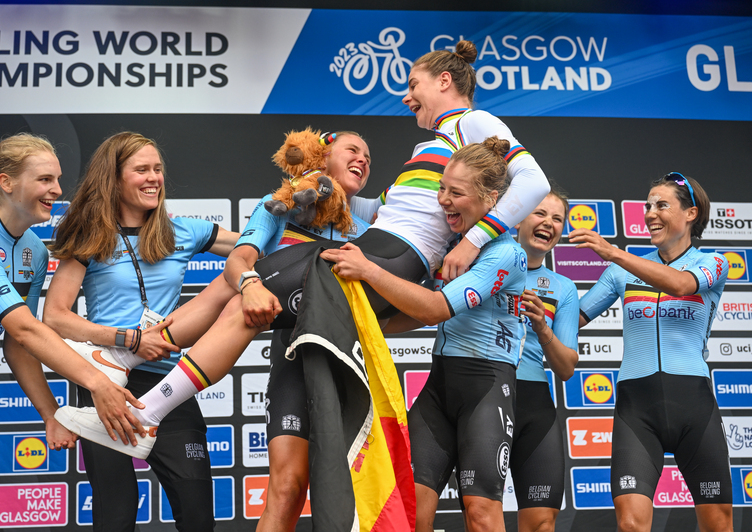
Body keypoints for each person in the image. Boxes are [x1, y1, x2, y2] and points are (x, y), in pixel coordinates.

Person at [55, 41, 549, 462]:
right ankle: (126, 366)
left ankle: (146, 409)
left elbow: (533, 181)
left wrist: (472, 239)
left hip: (389, 257)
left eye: (414, 84)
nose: (406, 95)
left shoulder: (473, 120)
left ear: (444, 81)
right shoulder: (437, 144)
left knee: (242, 306)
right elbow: (382, 212)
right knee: (236, 295)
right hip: (377, 246)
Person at [324, 137, 526, 532]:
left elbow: (435, 308)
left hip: (486, 387)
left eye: (456, 193)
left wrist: (369, 271)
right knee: (410, 511)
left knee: (481, 515)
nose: (443, 200)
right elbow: (420, 314)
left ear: (492, 198)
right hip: (439, 386)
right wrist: (367, 324)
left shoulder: (505, 253)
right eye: (441, 189)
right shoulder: (452, 242)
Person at [43, 132, 239, 532]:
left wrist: (288, 218)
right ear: (114, 180)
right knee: (116, 513)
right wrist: (128, 338)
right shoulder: (91, 236)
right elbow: (56, 317)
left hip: (169, 383)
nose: (154, 178)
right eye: (141, 170)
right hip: (106, 380)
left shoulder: (183, 230)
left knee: (198, 511)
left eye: (158, 169)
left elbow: (252, 249)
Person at [0, 134, 144, 532]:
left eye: (57, 179)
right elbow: (24, 328)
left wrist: (50, 415)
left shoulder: (35, 252)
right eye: (44, 180)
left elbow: (17, 344)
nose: (56, 190)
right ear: (6, 183)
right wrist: (97, 383)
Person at [573, 172, 732, 532]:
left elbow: (679, 284)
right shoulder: (620, 270)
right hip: (636, 407)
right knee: (630, 524)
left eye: (662, 205)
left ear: (690, 213)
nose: (650, 214)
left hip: (694, 404)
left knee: (719, 524)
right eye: (647, 206)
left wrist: (614, 253)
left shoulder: (714, 262)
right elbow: (575, 318)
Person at [240, 132, 372, 532]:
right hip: (294, 358)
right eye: (354, 150)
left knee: (353, 494)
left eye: (369, 157)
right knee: (288, 488)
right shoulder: (278, 208)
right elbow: (239, 261)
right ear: (322, 155)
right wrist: (249, 284)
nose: (363, 160)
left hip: (351, 363)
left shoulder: (367, 231)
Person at [511, 187, 579, 532]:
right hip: (482, 393)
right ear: (518, 216)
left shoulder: (563, 287)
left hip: (534, 401)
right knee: (480, 513)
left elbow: (566, 368)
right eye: (540, 213)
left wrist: (543, 328)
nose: (548, 223)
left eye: (557, 219)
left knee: (542, 522)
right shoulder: (477, 263)